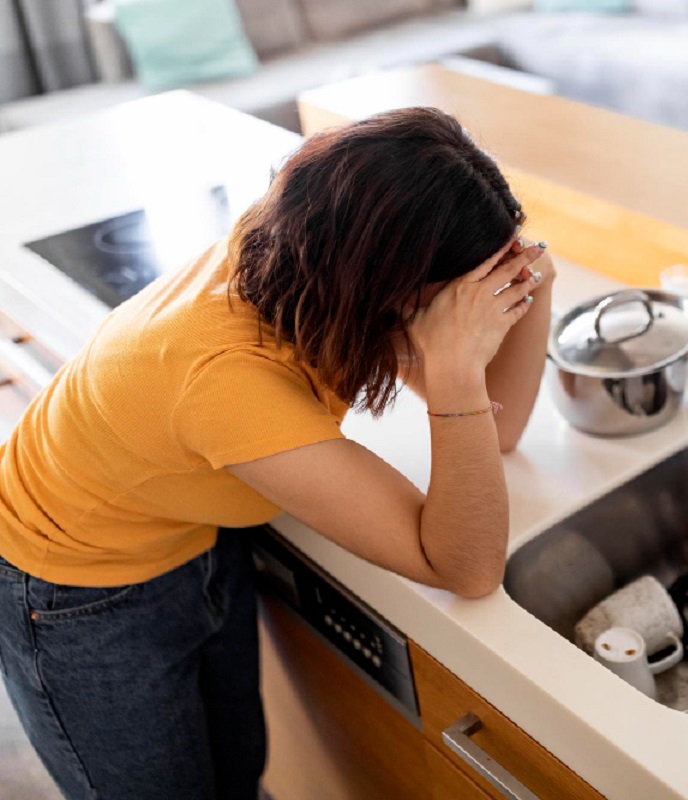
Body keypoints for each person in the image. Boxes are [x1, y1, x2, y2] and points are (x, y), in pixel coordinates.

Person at [0, 107, 554, 800]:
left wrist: (534, 280)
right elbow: (464, 565)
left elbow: (496, 430)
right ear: (393, 287)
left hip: (193, 531)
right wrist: (453, 371)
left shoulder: (312, 252)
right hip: (75, 588)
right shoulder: (225, 380)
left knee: (236, 777)